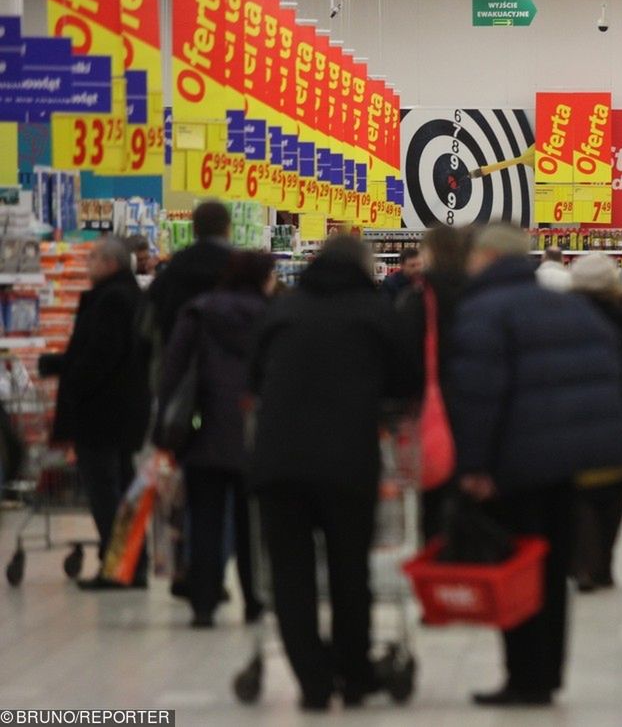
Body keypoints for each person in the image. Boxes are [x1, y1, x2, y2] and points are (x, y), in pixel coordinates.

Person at [448, 225, 622, 707]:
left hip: (516, 464)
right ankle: (548, 674)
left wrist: (473, 466)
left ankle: (522, 677)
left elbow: (477, 395)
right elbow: (604, 366)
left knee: (517, 568)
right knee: (554, 570)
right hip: (568, 463)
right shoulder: (568, 306)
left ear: (488, 256)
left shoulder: (483, 310)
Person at [248, 236, 416, 712]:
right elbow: (406, 380)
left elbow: (253, 374)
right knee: (349, 572)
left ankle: (313, 682)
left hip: (278, 463)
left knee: (290, 575)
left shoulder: (283, 308)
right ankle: (355, 675)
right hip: (348, 462)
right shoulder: (376, 311)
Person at [158, 252, 275, 628]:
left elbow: (172, 371)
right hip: (255, 432)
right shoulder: (274, 316)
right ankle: (254, 599)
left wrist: (165, 423)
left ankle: (203, 603)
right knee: (251, 523)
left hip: (203, 429)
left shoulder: (199, 311)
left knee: (205, 519)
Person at [42, 238, 151, 590]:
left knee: (106, 493)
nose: (87, 265)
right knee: (122, 490)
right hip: (125, 410)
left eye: (91, 259)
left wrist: (73, 384)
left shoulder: (111, 299)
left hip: (102, 412)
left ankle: (118, 567)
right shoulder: (131, 296)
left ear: (110, 263)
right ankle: (133, 564)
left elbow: (99, 356)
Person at [568, 253, 622, 592]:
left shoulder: (562, 317)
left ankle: (584, 564)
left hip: (572, 419)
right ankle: (604, 565)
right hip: (618, 418)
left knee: (580, 495)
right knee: (614, 495)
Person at [396, 226, 472, 540]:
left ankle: (438, 567)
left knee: (435, 498)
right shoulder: (482, 294)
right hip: (479, 408)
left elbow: (403, 358)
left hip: (432, 411)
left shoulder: (417, 299)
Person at [149, 201, 233, 344]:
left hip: (179, 351)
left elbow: (151, 318)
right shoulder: (239, 267)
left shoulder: (174, 266)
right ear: (228, 229)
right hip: (227, 355)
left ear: (194, 229)